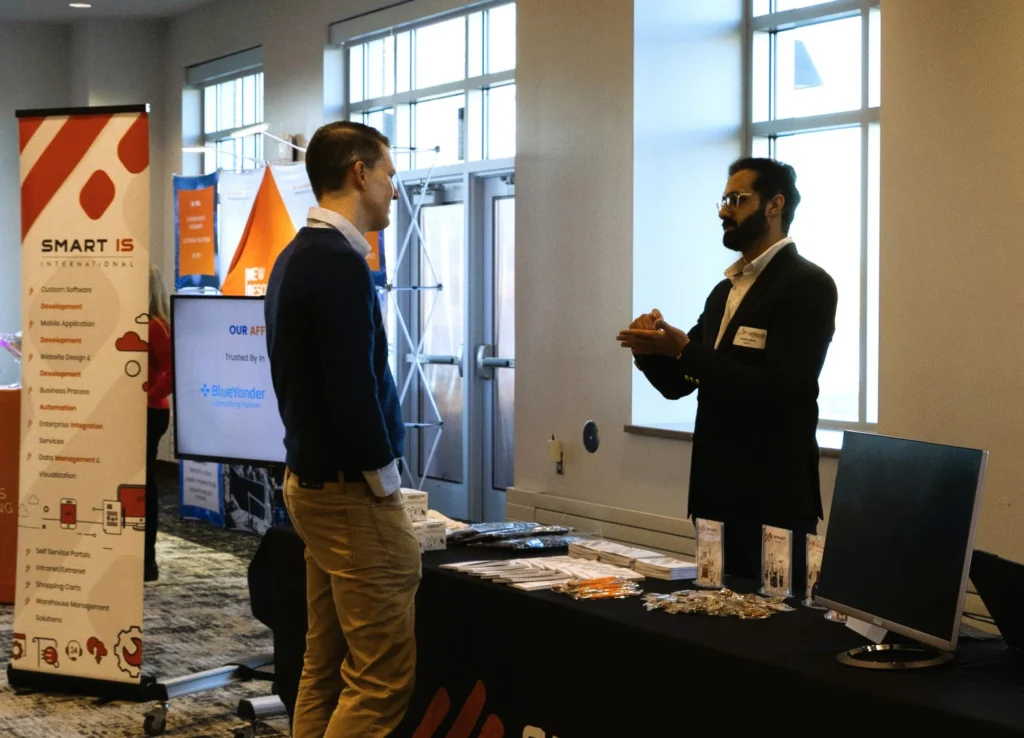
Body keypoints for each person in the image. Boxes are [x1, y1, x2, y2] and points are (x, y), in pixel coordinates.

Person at [264, 121, 420, 738]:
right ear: (360, 172)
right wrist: (385, 484)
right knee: (381, 680)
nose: (394, 192)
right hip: (350, 493)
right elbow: (351, 389)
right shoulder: (336, 264)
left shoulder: (297, 255)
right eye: (388, 176)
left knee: (323, 666)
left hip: (313, 484)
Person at [618, 158, 837, 591]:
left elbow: (782, 390)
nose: (724, 210)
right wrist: (650, 350)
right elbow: (681, 385)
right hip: (714, 499)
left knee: (774, 634)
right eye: (724, 199)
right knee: (715, 627)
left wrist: (684, 350)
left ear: (774, 205)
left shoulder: (808, 285)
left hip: (772, 502)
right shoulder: (725, 292)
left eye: (738, 199)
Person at [145, 265, 173, 582]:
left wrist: (148, 396)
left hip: (151, 413)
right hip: (148, 410)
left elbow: (171, 373)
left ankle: (147, 560)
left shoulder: (155, 326)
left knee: (144, 483)